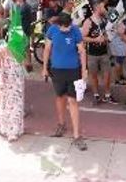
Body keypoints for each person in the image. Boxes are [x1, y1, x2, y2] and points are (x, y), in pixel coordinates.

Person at [42, 13, 88, 151]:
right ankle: (61, 124)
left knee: (73, 101)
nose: (67, 29)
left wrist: (84, 70)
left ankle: (76, 136)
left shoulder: (75, 31)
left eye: (69, 26)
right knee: (60, 98)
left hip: (73, 71)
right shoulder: (52, 30)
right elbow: (47, 49)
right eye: (64, 27)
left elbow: (82, 51)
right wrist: (44, 68)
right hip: (57, 70)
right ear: (58, 25)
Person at [0, 39, 26, 142]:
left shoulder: (2, 49)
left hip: (9, 81)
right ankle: (14, 131)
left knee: (6, 104)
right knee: (15, 105)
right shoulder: (19, 50)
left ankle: (6, 129)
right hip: (14, 81)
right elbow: (24, 64)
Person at [82, 0, 114, 104]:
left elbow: (108, 33)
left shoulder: (104, 20)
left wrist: (107, 38)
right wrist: (95, 40)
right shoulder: (88, 21)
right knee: (93, 74)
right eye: (103, 7)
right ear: (97, 8)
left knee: (107, 74)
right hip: (92, 53)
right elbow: (83, 37)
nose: (105, 9)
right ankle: (96, 94)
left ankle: (107, 94)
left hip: (104, 52)